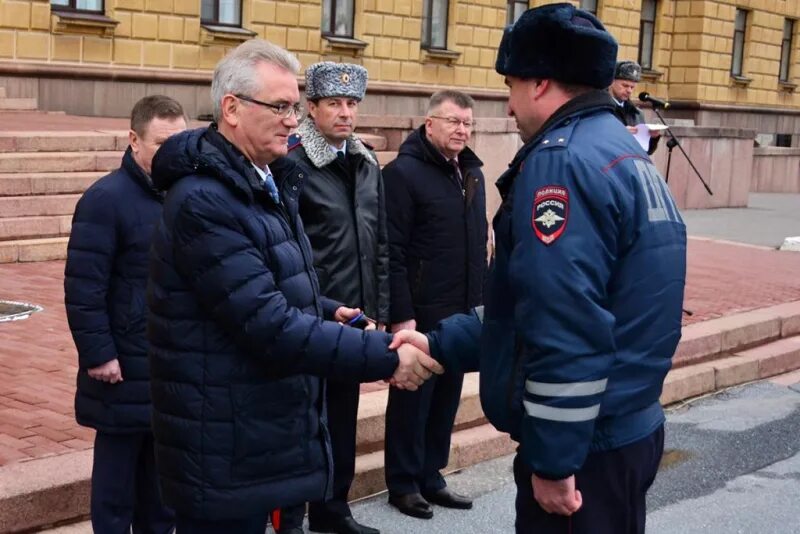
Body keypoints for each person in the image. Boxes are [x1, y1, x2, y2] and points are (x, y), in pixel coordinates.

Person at [391, 4, 687, 533]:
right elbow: (529, 305)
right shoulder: (622, 148)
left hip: (584, 446)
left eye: (511, 85)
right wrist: (440, 344)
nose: (508, 106)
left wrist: (553, 461)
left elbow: (564, 321)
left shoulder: (560, 162)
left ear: (542, 82)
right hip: (626, 427)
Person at [145, 39, 442, 533]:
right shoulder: (205, 200)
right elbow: (268, 323)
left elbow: (272, 282)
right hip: (222, 437)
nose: (291, 119)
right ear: (232, 109)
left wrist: (327, 310)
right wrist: (386, 355)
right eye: (281, 106)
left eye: (292, 104)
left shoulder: (264, 180)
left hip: (251, 427)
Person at [64, 94, 187, 533]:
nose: (173, 154)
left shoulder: (184, 196)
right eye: (162, 144)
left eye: (181, 142)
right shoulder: (104, 200)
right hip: (120, 368)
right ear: (133, 140)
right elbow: (84, 288)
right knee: (116, 494)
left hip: (171, 363)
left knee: (161, 495)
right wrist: (99, 354)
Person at [278, 62, 388, 534]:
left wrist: (379, 310)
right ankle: (291, 516)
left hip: (352, 316)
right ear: (312, 108)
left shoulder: (366, 162)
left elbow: (379, 240)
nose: (345, 113)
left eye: (351, 104)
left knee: (341, 419)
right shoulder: (292, 162)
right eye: (334, 104)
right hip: (307, 314)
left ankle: (333, 508)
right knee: (302, 420)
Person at [381, 90, 487, 519]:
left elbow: (479, 240)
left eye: (467, 123)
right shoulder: (403, 174)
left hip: (462, 305)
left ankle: (431, 474)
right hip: (421, 309)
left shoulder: (471, 172)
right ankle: (402, 483)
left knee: (446, 397)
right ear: (429, 124)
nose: (461, 129)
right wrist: (401, 314)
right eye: (452, 121)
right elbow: (391, 250)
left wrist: (479, 302)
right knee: (412, 398)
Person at [609, 60, 661, 154]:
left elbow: (646, 152)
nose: (629, 90)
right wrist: (620, 133)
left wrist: (653, 138)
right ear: (612, 82)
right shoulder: (601, 109)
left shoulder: (637, 113)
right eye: (625, 85)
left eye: (632, 87)